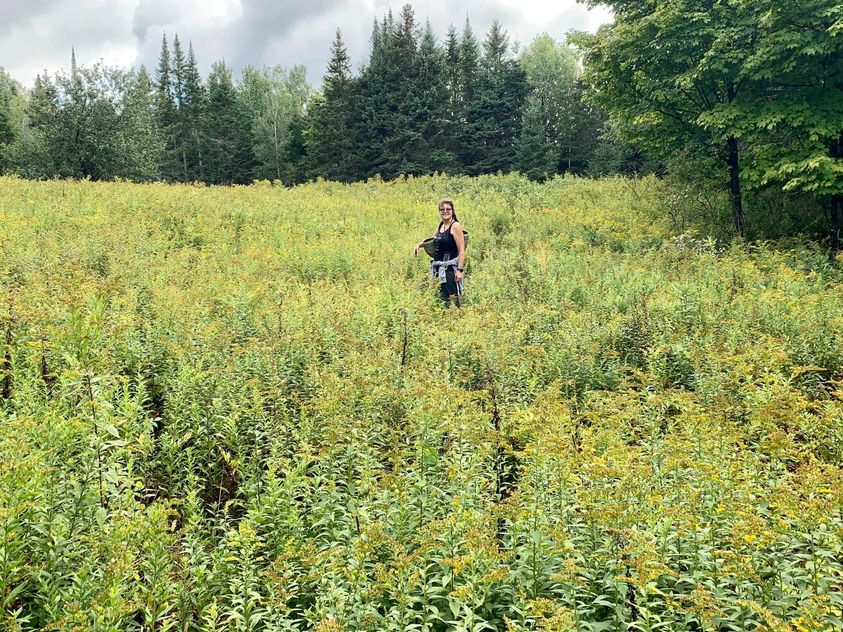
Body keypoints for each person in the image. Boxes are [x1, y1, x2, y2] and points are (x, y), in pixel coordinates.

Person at [413, 198, 465, 307]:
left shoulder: (455, 226)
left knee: (452, 299)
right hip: (439, 269)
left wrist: (459, 271)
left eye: (448, 209)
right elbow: (433, 240)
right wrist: (419, 245)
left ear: (452, 211)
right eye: (442, 209)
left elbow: (461, 250)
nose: (445, 211)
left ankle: (456, 319)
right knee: (441, 299)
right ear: (439, 211)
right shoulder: (442, 225)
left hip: (450, 270)